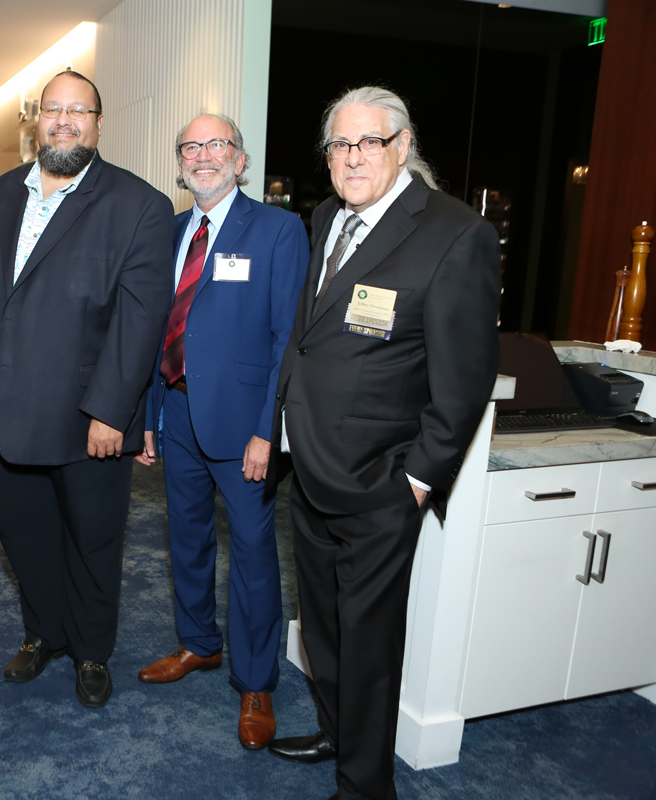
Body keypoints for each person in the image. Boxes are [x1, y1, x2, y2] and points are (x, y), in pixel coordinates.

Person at [266, 86, 501, 800]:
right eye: (339, 144)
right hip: (310, 469)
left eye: (369, 141)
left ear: (402, 146)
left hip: (381, 483)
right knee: (323, 632)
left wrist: (418, 481)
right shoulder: (325, 217)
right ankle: (337, 735)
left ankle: (366, 786)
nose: (352, 157)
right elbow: (311, 337)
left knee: (368, 646)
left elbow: (464, 381)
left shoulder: (454, 233)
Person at [0, 70, 175, 708]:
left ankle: (90, 650)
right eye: (53, 109)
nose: (64, 121)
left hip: (87, 417)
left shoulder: (139, 204)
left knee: (93, 540)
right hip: (3, 411)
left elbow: (139, 322)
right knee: (23, 536)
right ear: (37, 120)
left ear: (99, 124)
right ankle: (44, 633)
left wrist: (112, 411)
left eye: (78, 111)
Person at [135, 114, 308, 750]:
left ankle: (256, 680)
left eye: (217, 145)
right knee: (186, 536)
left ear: (239, 160)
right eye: (191, 147)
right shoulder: (171, 231)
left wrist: (268, 430)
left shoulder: (278, 229)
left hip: (244, 423)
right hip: (177, 411)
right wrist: (149, 416)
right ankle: (199, 643)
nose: (203, 155)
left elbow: (288, 338)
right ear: (180, 162)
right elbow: (156, 329)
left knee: (255, 552)